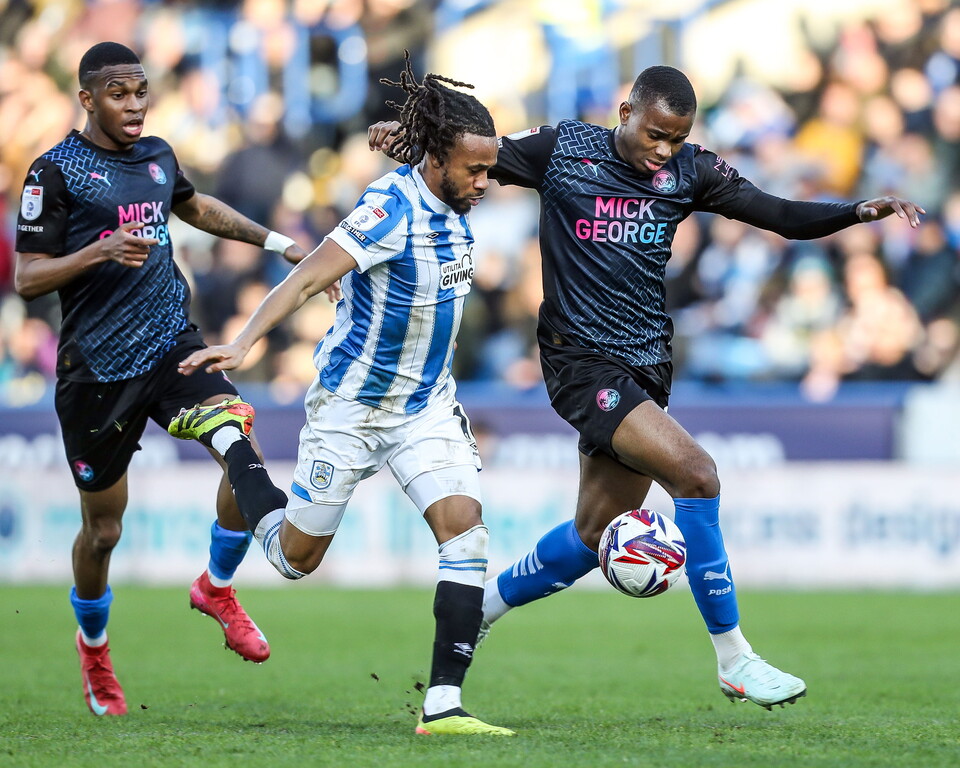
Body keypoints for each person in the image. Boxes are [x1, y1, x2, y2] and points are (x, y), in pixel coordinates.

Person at [370, 64, 927, 711]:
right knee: (697, 474)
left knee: (591, 533)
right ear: (626, 109)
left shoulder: (691, 171)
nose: (664, 149)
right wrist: (411, 138)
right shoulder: (565, 150)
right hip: (580, 365)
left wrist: (858, 211)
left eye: (677, 137)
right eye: (657, 133)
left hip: (645, 368)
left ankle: (483, 606)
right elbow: (478, 155)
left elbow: (779, 215)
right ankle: (735, 657)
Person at [172, 54, 513, 737]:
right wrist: (244, 346)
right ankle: (236, 450)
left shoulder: (456, 187)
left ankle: (442, 704)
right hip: (351, 408)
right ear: (439, 159)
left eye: (489, 169)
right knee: (295, 560)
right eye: (474, 170)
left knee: (466, 534)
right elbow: (303, 279)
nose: (485, 181)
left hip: (424, 409)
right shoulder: (390, 207)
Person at [13, 42, 304, 717]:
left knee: (236, 434)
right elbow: (27, 278)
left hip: (171, 346)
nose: (136, 104)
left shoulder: (158, 157)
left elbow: (194, 206)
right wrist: (98, 250)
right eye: (119, 93)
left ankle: (218, 586)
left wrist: (278, 244)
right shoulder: (53, 173)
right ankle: (94, 649)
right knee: (103, 532)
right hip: (97, 373)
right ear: (86, 98)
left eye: (141, 90)